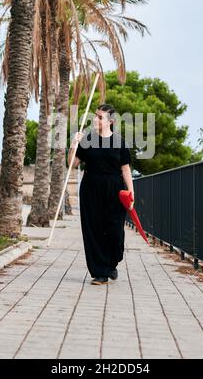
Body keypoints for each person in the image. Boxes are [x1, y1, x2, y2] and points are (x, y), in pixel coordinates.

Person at [68, 104, 134, 285]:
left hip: (114, 189)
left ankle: (112, 262)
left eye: (99, 117)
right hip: (91, 188)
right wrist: (74, 143)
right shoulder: (87, 140)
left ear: (110, 121)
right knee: (94, 229)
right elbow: (72, 164)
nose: (95, 119)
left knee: (115, 230)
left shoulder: (120, 142)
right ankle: (100, 272)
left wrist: (131, 193)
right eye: (95, 116)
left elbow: (126, 169)